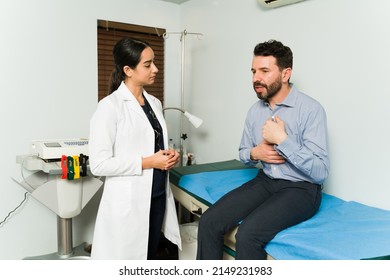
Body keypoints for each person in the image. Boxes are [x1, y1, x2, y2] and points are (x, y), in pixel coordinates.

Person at [196, 39, 330, 260]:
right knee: (210, 221)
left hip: (301, 189)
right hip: (266, 181)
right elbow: (243, 152)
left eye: (264, 71)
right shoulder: (255, 111)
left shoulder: (311, 110)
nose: (256, 78)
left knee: (248, 234)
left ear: (285, 74)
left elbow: (321, 172)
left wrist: (283, 140)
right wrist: (254, 154)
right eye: (253, 71)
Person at [89, 37, 181, 260]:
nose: (155, 69)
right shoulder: (109, 107)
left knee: (147, 256)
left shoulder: (155, 103)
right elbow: (98, 165)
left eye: (154, 63)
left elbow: (153, 144)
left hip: (157, 195)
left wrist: (169, 155)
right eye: (148, 65)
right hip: (128, 201)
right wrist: (148, 162)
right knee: (126, 260)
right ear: (128, 70)